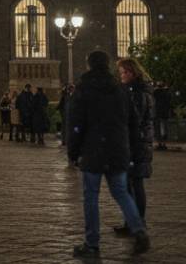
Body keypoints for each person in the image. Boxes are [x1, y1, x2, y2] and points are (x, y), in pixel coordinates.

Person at [66, 50, 150, 259]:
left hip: (93, 149)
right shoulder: (120, 89)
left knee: (91, 197)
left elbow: (75, 123)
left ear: (89, 65)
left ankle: (92, 243)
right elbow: (132, 121)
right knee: (121, 191)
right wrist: (130, 147)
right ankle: (139, 230)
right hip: (118, 149)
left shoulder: (84, 89)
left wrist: (73, 151)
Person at [115, 58, 154, 236]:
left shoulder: (137, 92)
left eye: (123, 72)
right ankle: (132, 221)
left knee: (135, 184)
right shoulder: (135, 90)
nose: (121, 76)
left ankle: (137, 222)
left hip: (136, 143)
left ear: (131, 73)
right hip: (135, 141)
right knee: (130, 184)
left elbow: (134, 119)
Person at [152, 82, 173, 151]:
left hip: (158, 113)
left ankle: (160, 144)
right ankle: (164, 144)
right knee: (164, 129)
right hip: (165, 113)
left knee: (158, 129)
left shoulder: (156, 92)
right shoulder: (167, 93)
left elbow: (152, 92)